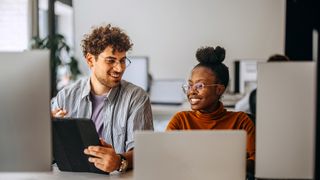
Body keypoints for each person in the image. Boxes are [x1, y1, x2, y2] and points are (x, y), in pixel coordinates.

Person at [51, 24, 154, 173]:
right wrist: (48, 132)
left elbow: (144, 152)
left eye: (123, 60)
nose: (119, 68)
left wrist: (119, 161)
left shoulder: (137, 98)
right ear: (90, 60)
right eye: (111, 60)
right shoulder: (65, 97)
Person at [166, 46, 255, 175]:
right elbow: (165, 158)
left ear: (219, 89)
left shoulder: (241, 122)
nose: (191, 91)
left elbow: (256, 163)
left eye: (199, 86)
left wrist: (224, 164)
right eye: (190, 85)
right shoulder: (181, 120)